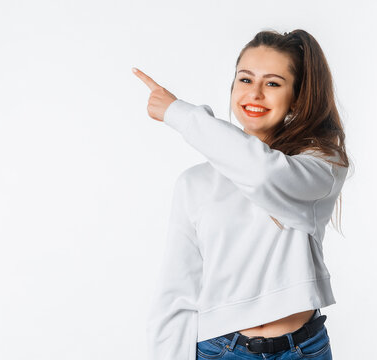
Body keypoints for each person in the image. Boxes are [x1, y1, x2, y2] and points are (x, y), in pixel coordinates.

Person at [133, 28, 350, 360]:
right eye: (245, 80)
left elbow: (263, 173)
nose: (255, 93)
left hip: (302, 350)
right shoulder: (195, 183)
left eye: (273, 83)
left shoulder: (321, 165)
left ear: (298, 95)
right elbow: (178, 291)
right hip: (221, 350)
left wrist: (177, 112)